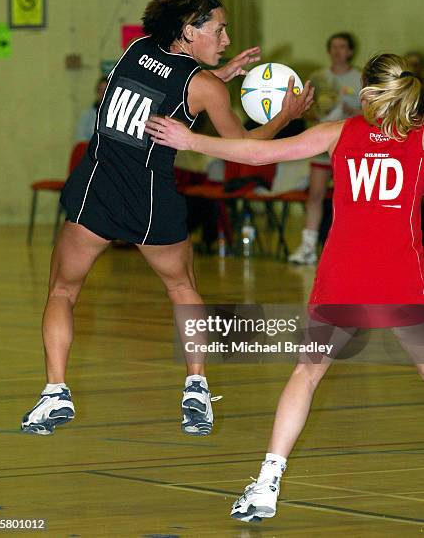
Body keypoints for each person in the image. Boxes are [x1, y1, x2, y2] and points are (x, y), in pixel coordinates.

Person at [20, 0, 314, 437]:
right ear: (188, 30)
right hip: (151, 199)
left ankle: (54, 391)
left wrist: (215, 77)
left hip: (96, 186)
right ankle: (196, 386)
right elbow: (242, 149)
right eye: (218, 29)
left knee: (62, 292)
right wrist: (284, 117)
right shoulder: (202, 87)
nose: (226, 39)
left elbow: (162, 83)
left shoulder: (135, 51)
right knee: (182, 288)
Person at [145, 52, 424, 521]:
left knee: (306, 375)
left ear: (365, 91)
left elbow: (258, 152)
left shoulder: (340, 133)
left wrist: (191, 139)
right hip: (401, 278)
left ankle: (266, 485)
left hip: (344, 277)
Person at [289, 32, 361, 264]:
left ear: (350, 51)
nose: (337, 51)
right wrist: (315, 112)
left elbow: (374, 113)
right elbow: (304, 110)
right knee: (316, 195)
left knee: (353, 197)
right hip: (322, 145)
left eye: (342, 47)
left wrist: (356, 114)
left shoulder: (361, 78)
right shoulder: (318, 78)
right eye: (333, 47)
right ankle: (308, 247)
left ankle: (353, 246)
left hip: (352, 147)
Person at [73, 76, 108, 143]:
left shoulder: (119, 116)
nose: (103, 94)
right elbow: (80, 139)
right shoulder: (87, 115)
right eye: (101, 91)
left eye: (106, 91)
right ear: (96, 92)